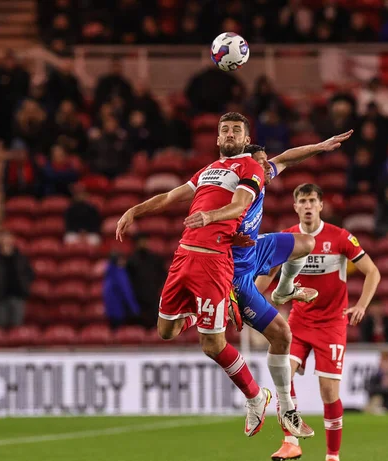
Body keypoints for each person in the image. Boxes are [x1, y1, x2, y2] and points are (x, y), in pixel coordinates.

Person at [115, 112, 272, 437]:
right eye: (224, 130)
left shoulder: (250, 167)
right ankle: (211, 311)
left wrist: (209, 215)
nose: (229, 134)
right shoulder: (209, 170)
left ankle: (256, 396)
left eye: (236, 131)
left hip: (214, 261)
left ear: (245, 139)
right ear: (216, 139)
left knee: (211, 344)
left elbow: (241, 204)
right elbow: (171, 197)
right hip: (184, 256)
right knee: (166, 330)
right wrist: (134, 210)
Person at [228, 130, 353, 439]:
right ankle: (257, 397)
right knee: (213, 335)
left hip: (254, 248)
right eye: (259, 164)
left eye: (264, 164)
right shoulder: (233, 184)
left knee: (304, 242)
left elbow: (287, 158)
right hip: (232, 260)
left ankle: (283, 290)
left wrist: (321, 147)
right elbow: (213, 213)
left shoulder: (262, 172)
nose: (265, 169)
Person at [257, 183, 381, 461]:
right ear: (295, 206)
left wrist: (362, 304)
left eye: (313, 200)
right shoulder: (287, 238)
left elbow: (372, 272)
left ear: (321, 205)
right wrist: (245, 295)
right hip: (299, 320)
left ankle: (332, 458)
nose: (308, 205)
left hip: (331, 323)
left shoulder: (340, 237)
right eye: (303, 201)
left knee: (328, 392)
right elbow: (269, 275)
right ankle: (291, 440)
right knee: (281, 372)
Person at [0, 229, 34, 330]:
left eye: (8, 237)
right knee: (0, 325)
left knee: (17, 326)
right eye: (3, 237)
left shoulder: (20, 257)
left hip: (18, 295)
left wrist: (24, 284)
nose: (6, 240)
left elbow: (30, 273)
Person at [126, 233, 167, 329]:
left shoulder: (155, 259)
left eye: (144, 241)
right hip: (137, 300)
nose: (143, 244)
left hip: (152, 298)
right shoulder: (131, 261)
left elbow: (163, 275)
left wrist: (156, 287)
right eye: (141, 242)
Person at [103, 252, 141, 329]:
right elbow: (126, 292)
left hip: (110, 311)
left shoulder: (109, 272)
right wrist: (135, 309)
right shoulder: (120, 273)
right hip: (119, 310)